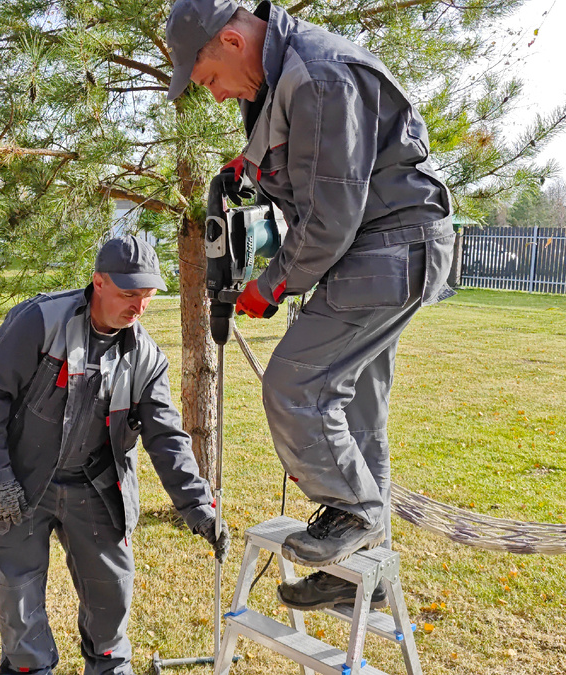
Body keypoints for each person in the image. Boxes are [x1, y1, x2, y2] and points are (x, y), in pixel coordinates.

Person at [166, 0, 456, 611]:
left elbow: (328, 220)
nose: (217, 97)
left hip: (386, 249)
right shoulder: (281, 80)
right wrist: (249, 167)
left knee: (295, 386)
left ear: (232, 38)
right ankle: (361, 578)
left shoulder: (317, 75)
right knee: (355, 415)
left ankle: (355, 514)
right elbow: (313, 171)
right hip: (377, 251)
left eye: (211, 78)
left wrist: (270, 285)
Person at [0, 235, 230, 675]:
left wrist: (199, 507)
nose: (138, 307)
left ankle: (108, 667)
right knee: (20, 601)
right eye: (129, 294)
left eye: (146, 297)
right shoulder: (40, 321)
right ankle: (29, 668)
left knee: (112, 596)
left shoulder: (147, 357)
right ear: (98, 283)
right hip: (22, 484)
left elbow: (166, 438)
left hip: (97, 489)